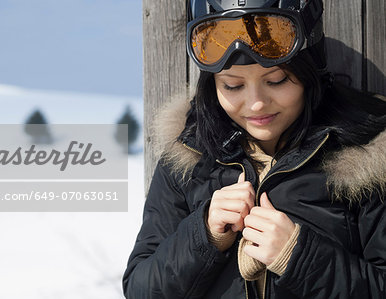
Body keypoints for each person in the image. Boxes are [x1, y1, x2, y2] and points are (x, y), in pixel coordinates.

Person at [123, 0, 386, 298]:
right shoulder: (187, 157)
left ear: (309, 71)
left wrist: (298, 257)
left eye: (276, 80)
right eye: (233, 86)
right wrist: (204, 233)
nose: (256, 103)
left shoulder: (367, 157)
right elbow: (140, 289)